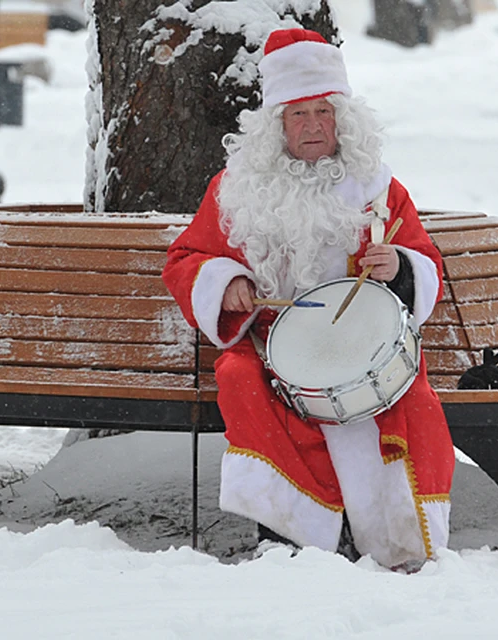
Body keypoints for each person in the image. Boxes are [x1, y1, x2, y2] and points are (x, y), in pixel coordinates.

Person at [162, 28, 454, 571]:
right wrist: (226, 283)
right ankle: (288, 528)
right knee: (237, 378)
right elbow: (185, 260)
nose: (315, 125)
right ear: (277, 126)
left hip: (366, 349)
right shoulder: (238, 189)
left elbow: (425, 261)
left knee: (410, 397)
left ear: (344, 118)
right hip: (273, 344)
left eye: (325, 111)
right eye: (299, 114)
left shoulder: (378, 189)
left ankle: (391, 537)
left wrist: (400, 269)